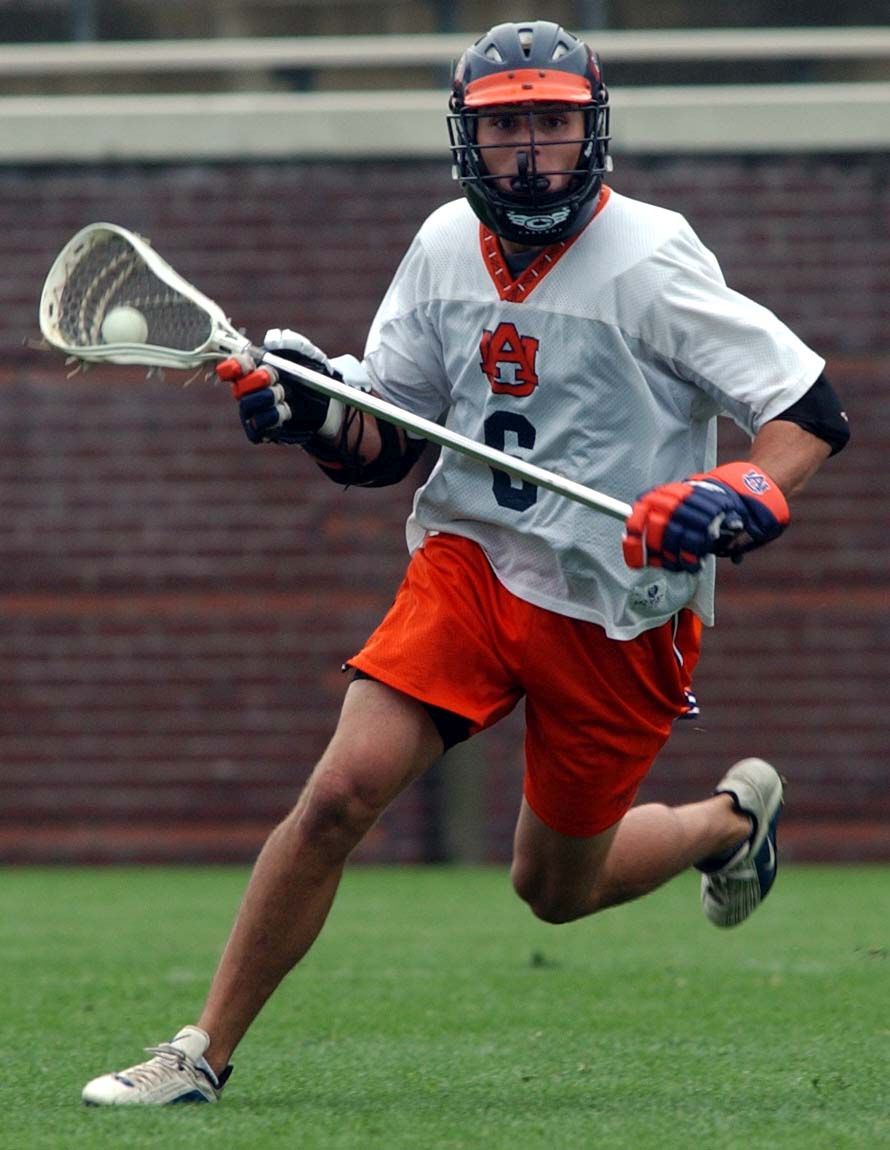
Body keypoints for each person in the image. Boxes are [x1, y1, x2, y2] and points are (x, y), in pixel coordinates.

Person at [82, 20, 849, 1105]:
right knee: (340, 794)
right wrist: (313, 417)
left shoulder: (652, 257)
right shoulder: (444, 243)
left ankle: (728, 823)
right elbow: (390, 438)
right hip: (471, 563)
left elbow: (807, 410)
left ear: (591, 130)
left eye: (550, 122)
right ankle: (197, 1054)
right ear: (466, 137)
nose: (528, 150)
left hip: (616, 604)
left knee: (554, 887)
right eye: (504, 126)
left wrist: (739, 493)